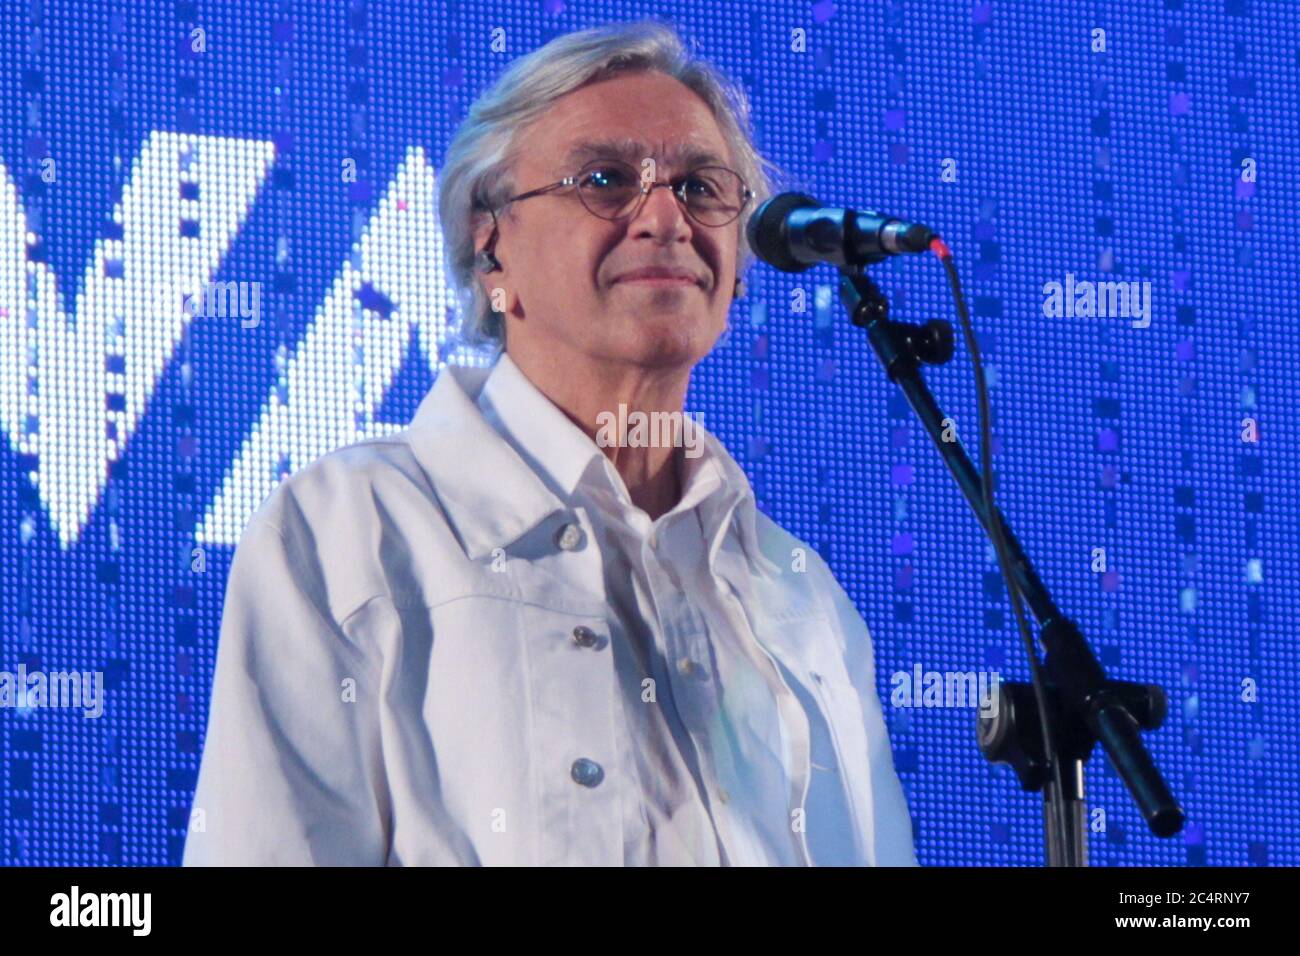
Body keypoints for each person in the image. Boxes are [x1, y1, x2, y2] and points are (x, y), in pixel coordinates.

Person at [184, 17, 917, 866]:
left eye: (701, 187)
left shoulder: (798, 594)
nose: (665, 219)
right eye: (606, 180)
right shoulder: (347, 529)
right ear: (489, 244)